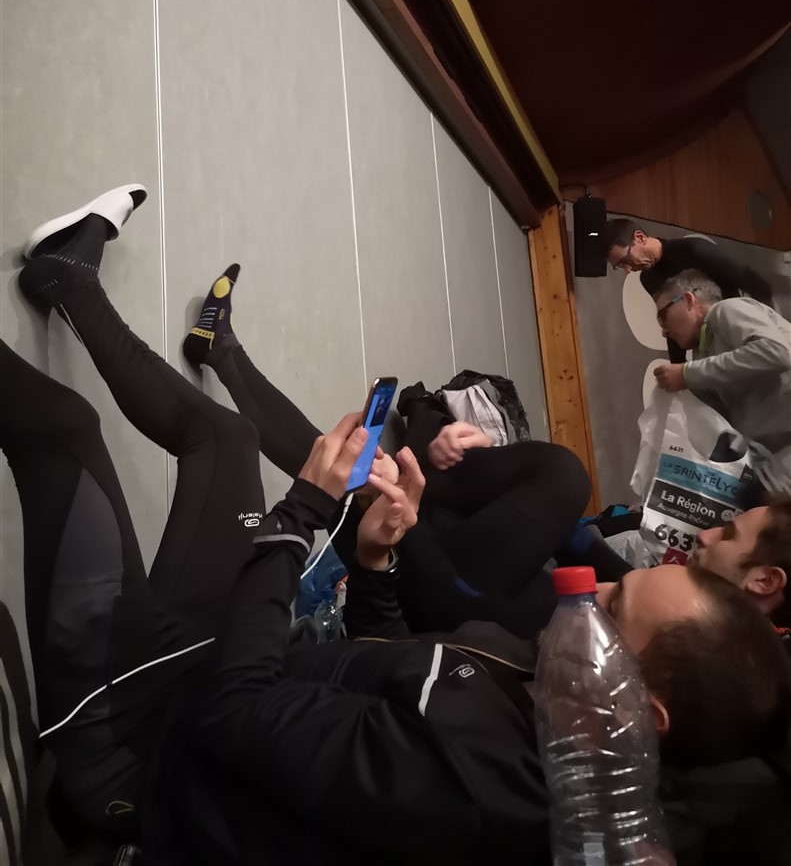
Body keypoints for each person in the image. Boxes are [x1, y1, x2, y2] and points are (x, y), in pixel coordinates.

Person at [5, 187, 791, 866]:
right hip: (214, 668)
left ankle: (116, 303)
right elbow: (387, 662)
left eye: (613, 611)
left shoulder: (469, 782)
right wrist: (377, 562)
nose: (586, 594)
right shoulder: (561, 701)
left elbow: (233, 714)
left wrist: (303, 512)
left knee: (63, 430)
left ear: (640, 712)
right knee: (229, 437)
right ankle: (69, 277)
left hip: (142, 738)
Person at [181, 263, 592, 640]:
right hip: (470, 565)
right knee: (564, 478)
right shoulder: (611, 585)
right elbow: (566, 534)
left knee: (343, 475)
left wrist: (396, 516)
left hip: (440, 610)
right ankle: (221, 349)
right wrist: (480, 463)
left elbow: (459, 614)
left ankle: (221, 349)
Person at [651, 270, 791, 493]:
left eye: (663, 316)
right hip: (773, 455)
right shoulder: (703, 353)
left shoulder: (726, 310)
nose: (664, 330)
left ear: (688, 300)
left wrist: (688, 374)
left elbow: (777, 353)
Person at [604, 217, 774, 363]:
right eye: (620, 266)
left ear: (640, 237)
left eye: (626, 260)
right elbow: (672, 320)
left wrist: (767, 333)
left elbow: (757, 286)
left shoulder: (694, 249)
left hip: (739, 338)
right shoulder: (648, 278)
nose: (628, 269)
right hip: (708, 355)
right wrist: (677, 365)